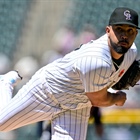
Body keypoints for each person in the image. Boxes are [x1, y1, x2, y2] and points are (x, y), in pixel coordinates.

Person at [0, 7, 139, 140]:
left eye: (130, 30)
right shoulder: (96, 59)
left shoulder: (131, 52)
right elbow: (98, 99)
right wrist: (117, 98)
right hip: (48, 92)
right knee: (2, 124)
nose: (124, 35)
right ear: (108, 30)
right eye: (119, 29)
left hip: (78, 105)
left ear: (136, 34)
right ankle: (5, 83)